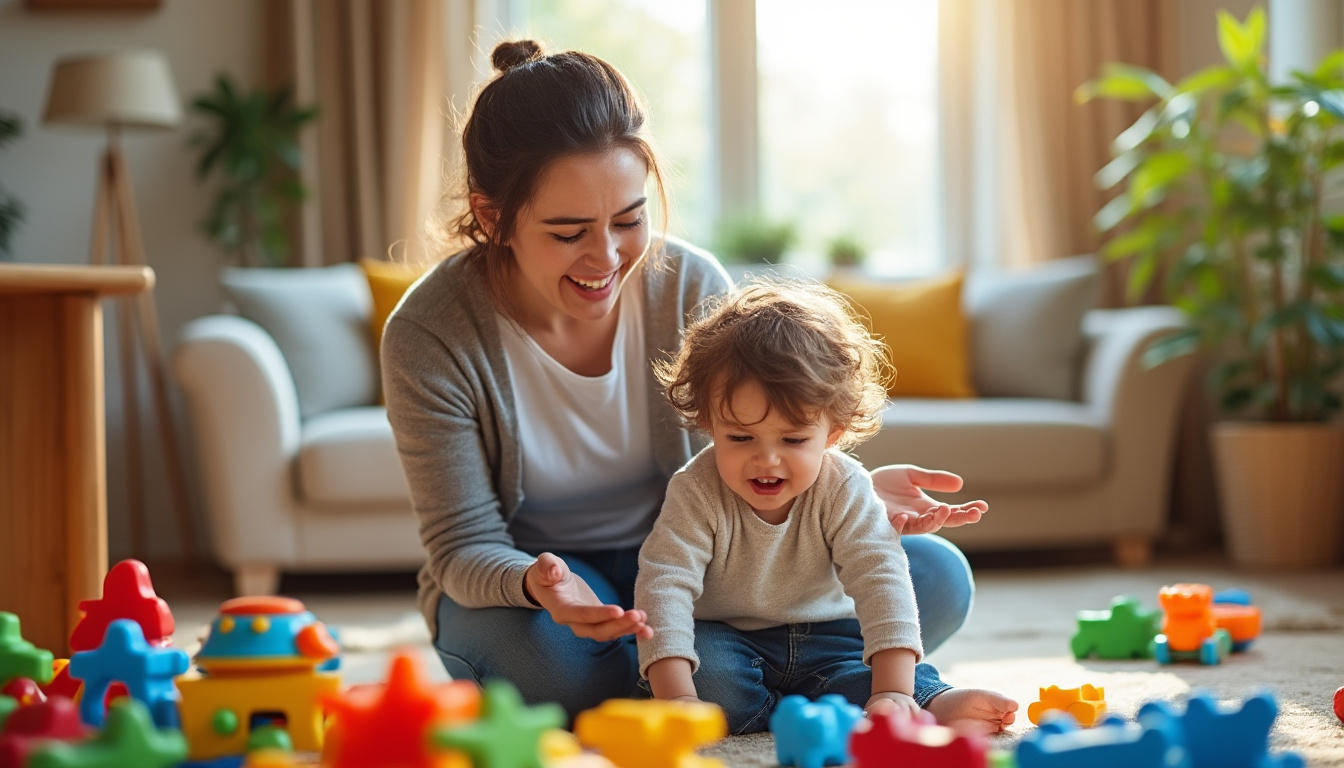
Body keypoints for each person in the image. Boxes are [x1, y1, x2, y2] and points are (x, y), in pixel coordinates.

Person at [380, 38, 1004, 729]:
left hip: (702, 564)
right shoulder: (430, 335)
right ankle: (750, 678)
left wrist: (837, 486)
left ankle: (721, 680)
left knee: (936, 576)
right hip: (542, 582)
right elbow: (463, 547)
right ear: (493, 217)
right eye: (568, 233)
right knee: (549, 668)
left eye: (629, 219)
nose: (608, 257)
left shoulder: (690, 286)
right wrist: (535, 584)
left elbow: (763, 429)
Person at [635, 281, 1018, 734]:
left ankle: (927, 699)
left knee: (869, 675)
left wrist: (893, 690)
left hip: (827, 633)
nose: (767, 459)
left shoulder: (845, 485)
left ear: (832, 434)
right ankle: (804, 709)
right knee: (714, 684)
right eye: (740, 437)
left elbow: (880, 574)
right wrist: (678, 698)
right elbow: (664, 585)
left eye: (794, 440)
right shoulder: (695, 489)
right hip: (727, 634)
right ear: (708, 422)